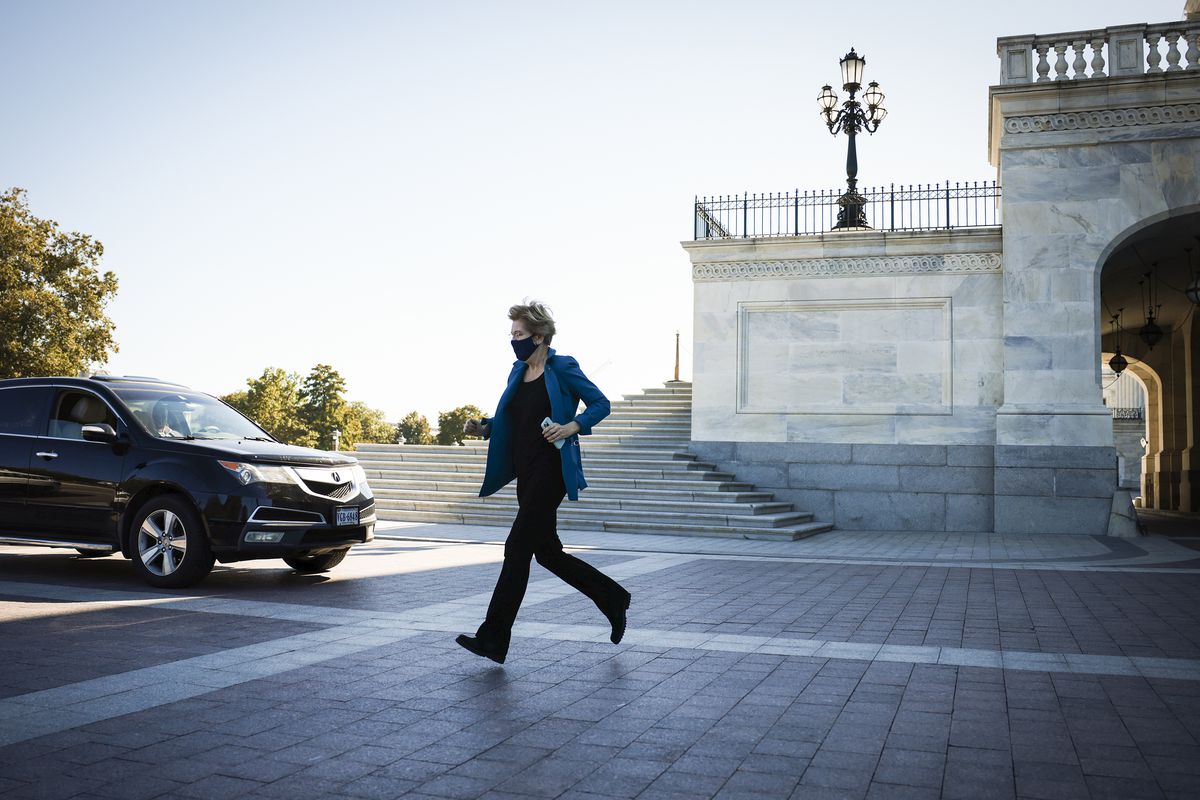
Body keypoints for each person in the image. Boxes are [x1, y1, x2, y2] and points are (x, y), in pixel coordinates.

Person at [455, 301, 631, 664]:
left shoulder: (562, 367)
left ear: (539, 336)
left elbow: (600, 403)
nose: (514, 341)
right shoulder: (516, 372)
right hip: (526, 472)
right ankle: (612, 597)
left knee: (516, 549)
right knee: (547, 552)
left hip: (551, 471)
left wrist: (572, 425)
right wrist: (485, 426)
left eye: (519, 335)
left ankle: (493, 637)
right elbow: (512, 418)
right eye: (512, 335)